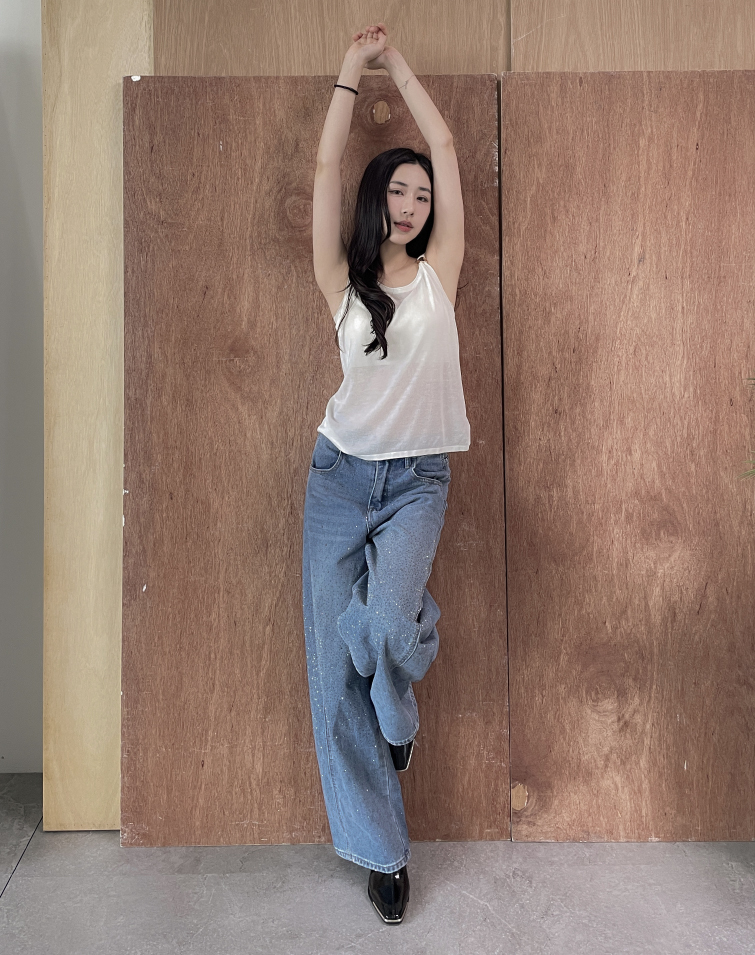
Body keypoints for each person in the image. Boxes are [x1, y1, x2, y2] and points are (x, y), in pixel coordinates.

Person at [302, 22, 470, 924]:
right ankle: (382, 852)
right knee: (335, 672)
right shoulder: (338, 276)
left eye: (421, 194)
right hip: (337, 480)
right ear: (376, 200)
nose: (409, 203)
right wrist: (347, 73)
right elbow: (325, 167)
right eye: (396, 190)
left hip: (414, 483)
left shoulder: (440, 275)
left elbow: (442, 143)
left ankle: (398, 712)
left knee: (379, 622)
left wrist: (397, 65)